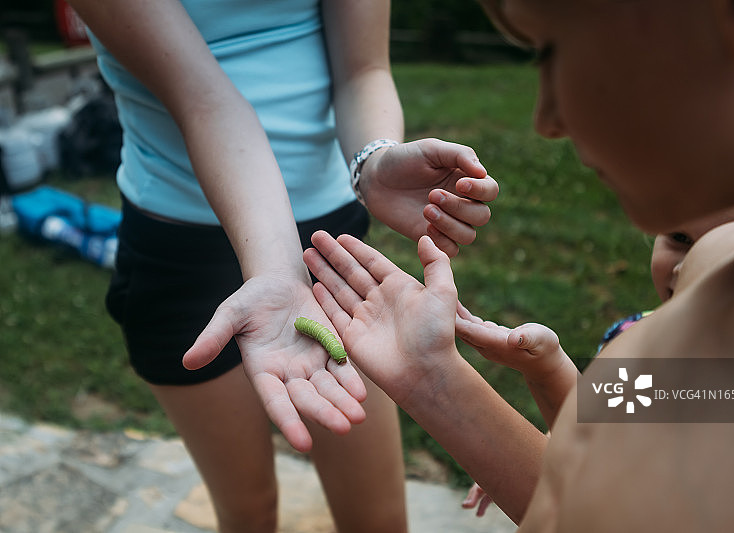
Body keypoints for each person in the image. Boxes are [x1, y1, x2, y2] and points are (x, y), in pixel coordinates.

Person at [302, 0, 734, 530]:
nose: (546, 120)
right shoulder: (720, 331)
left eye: (551, 49)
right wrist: (432, 376)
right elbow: (594, 464)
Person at [67, 1, 498, 532]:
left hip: (329, 248)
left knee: (379, 518)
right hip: (178, 249)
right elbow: (205, 100)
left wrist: (373, 160)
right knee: (247, 513)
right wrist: (278, 270)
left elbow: (364, 68)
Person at [459, 208, 734, 516]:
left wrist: (547, 368)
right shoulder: (633, 335)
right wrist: (526, 461)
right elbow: (584, 425)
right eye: (680, 238)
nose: (683, 267)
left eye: (727, 252)